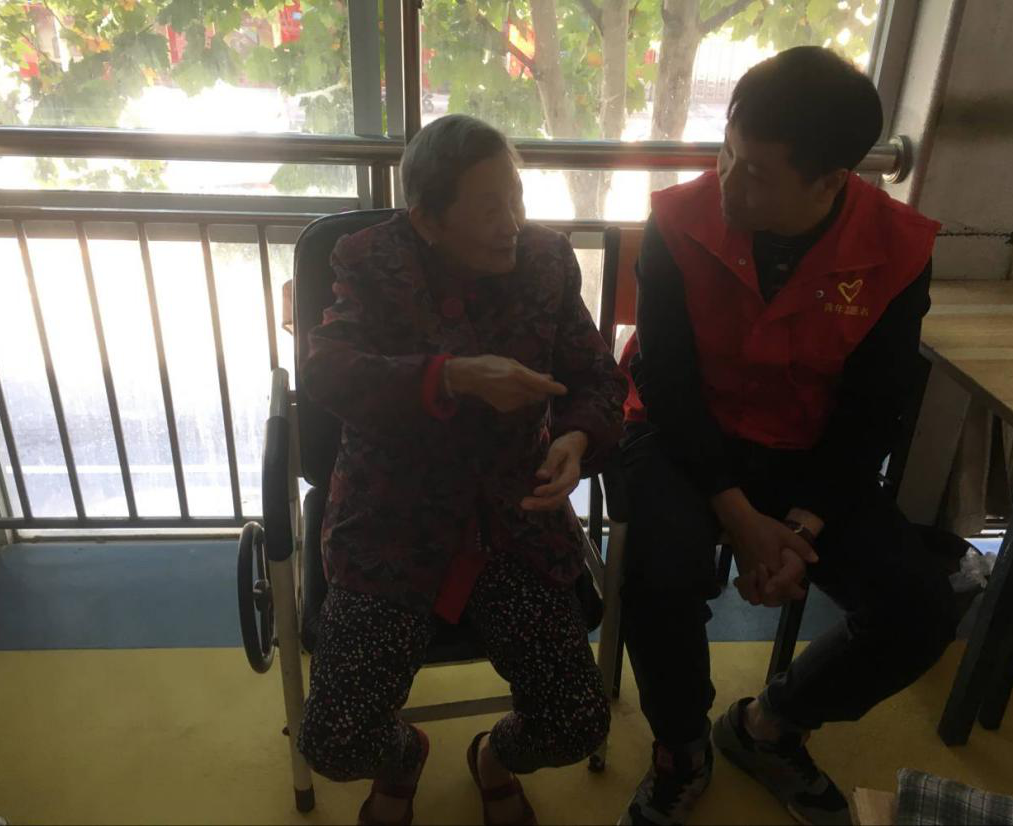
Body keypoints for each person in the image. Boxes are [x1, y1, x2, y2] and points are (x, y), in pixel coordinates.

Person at [617, 47, 959, 826]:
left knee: (920, 610)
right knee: (656, 575)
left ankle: (768, 725)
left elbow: (872, 409)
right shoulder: (676, 221)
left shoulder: (895, 249)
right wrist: (741, 520)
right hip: (682, 433)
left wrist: (801, 528)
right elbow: (666, 384)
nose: (725, 185)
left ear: (830, 180)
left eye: (754, 173)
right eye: (725, 154)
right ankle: (680, 748)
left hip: (807, 449)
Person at [296, 114, 627, 826]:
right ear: (426, 219)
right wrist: (451, 377)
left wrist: (576, 439)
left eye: (516, 197)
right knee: (335, 741)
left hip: (513, 519)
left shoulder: (547, 261)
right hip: (393, 521)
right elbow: (326, 370)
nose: (512, 224)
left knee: (576, 721)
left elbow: (597, 378)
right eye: (488, 208)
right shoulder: (369, 260)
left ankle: (494, 758)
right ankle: (402, 755)